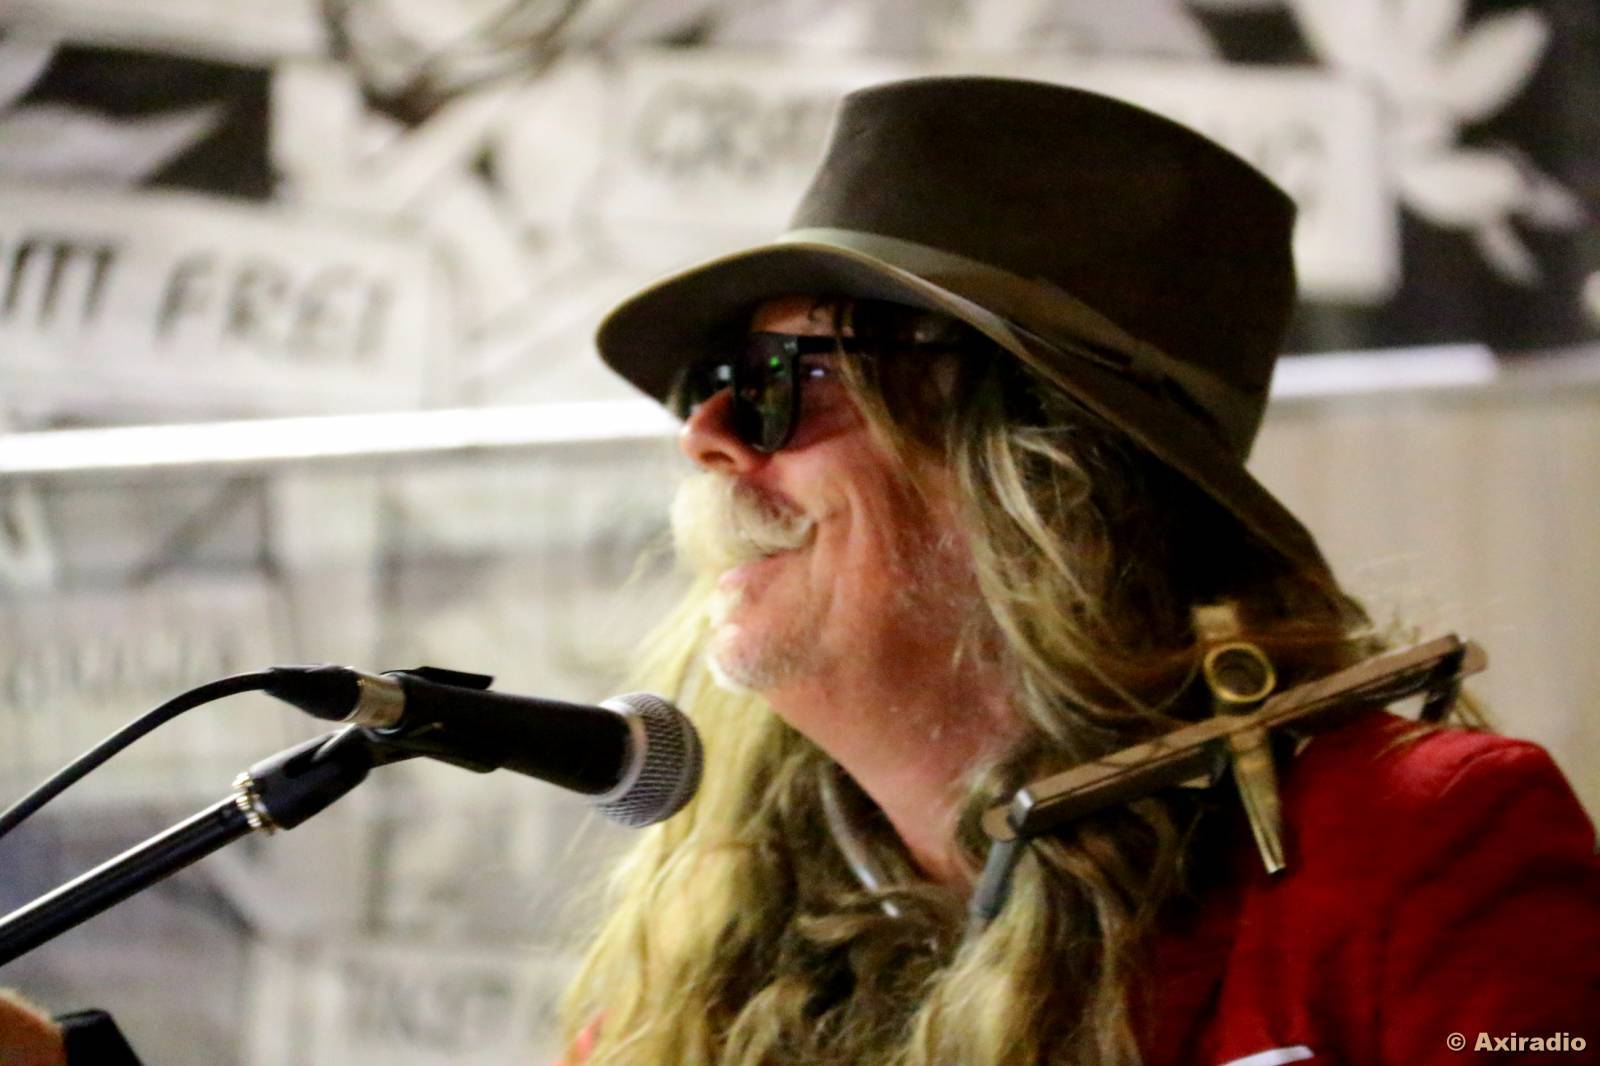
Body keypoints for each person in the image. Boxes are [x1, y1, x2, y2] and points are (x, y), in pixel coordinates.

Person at [4, 75, 1597, 1066]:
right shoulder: (720, 935)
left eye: (781, 382)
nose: (706, 434)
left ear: (1040, 470)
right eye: (712, 379)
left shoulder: (1426, 845)